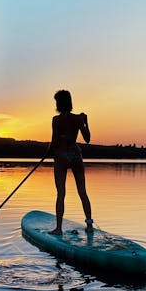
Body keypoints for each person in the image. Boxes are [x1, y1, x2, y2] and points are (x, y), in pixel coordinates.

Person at [48, 90, 93, 235]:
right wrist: (85, 123)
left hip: (61, 156)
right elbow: (87, 139)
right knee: (82, 191)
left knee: (61, 193)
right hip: (75, 155)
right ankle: (89, 225)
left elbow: (54, 142)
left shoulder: (56, 120)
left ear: (59, 104)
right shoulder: (78, 119)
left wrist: (49, 151)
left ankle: (59, 228)